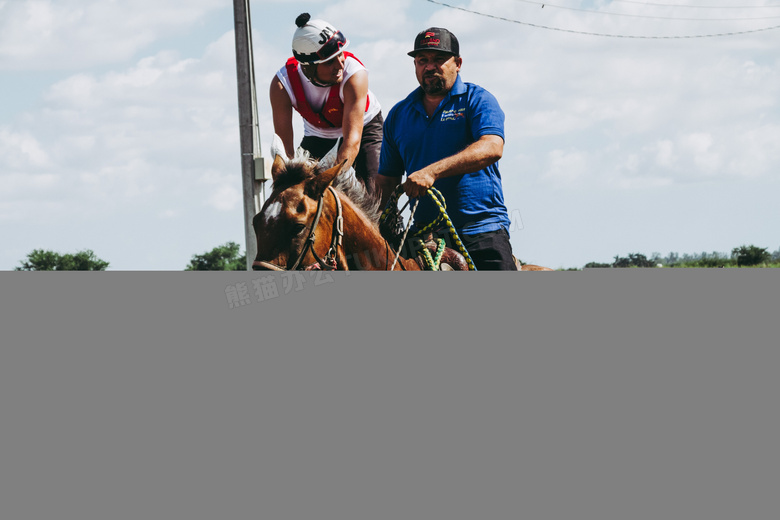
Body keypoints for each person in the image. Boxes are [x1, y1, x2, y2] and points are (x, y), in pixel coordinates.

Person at [376, 27, 517, 270]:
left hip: (481, 230)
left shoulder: (478, 99)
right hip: (424, 238)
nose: (429, 67)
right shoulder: (398, 114)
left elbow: (492, 147)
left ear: (458, 63)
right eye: (422, 61)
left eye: (438, 59)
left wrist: (431, 172)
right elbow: (386, 181)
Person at [270, 13, 383, 194]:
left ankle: (391, 221)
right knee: (294, 192)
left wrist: (328, 182)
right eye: (330, 61)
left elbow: (352, 142)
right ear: (308, 66)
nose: (340, 65)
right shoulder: (282, 85)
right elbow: (286, 152)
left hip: (364, 128)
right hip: (318, 134)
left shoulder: (355, 75)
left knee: (376, 191)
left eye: (341, 55)